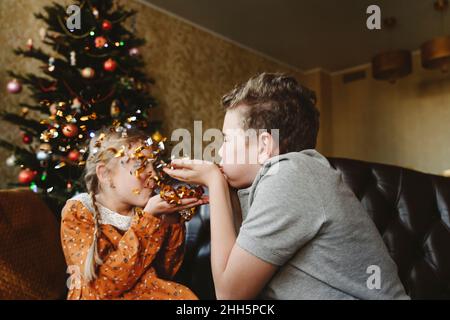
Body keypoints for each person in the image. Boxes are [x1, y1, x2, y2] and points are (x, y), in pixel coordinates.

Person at [163, 73, 410, 300]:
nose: (219, 150)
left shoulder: (292, 174)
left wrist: (214, 182)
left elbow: (230, 295)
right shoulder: (282, 179)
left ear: (263, 146)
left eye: (227, 139)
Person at [60, 127, 206, 299]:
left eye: (153, 163)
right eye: (141, 164)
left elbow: (166, 271)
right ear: (105, 174)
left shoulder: (145, 210)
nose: (154, 173)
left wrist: (171, 220)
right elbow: (102, 286)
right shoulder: (80, 211)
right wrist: (147, 221)